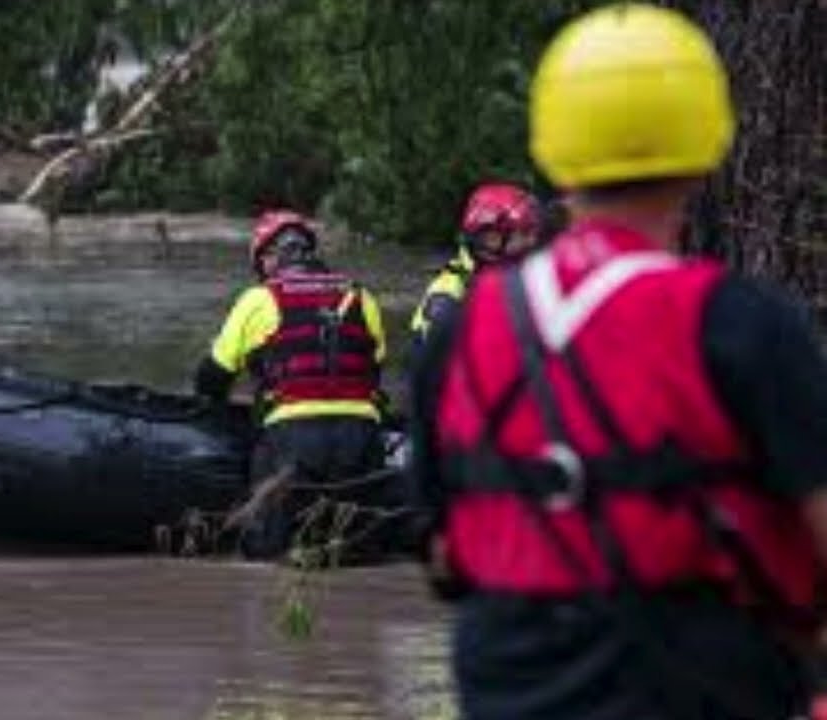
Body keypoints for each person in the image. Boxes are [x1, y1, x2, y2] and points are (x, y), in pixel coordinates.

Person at [409, 5, 827, 719]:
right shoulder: (748, 326)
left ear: (552, 149)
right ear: (709, 143)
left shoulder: (454, 333)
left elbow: (446, 557)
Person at [194, 209, 388, 560]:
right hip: (361, 438)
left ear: (268, 258)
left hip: (292, 442)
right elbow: (374, 371)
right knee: (362, 553)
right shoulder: (362, 297)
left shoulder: (258, 300)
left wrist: (222, 413)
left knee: (266, 553)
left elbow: (211, 377)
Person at [407, 181, 540, 359]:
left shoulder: (517, 278)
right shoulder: (448, 295)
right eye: (524, 233)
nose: (533, 241)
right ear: (493, 239)